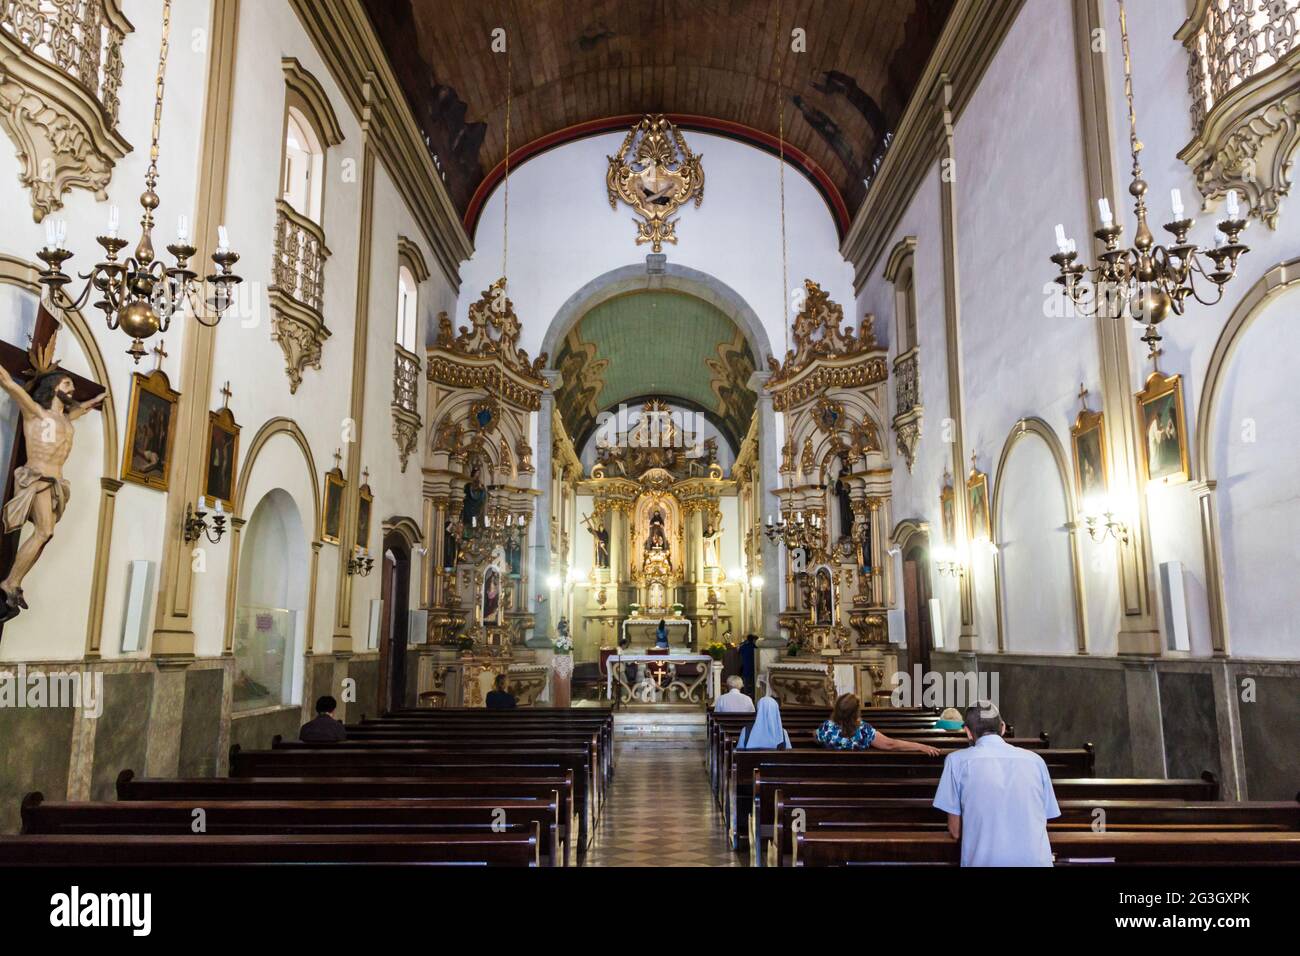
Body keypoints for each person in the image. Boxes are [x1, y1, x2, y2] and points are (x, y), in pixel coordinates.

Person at [932, 700, 1061, 867]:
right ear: (1003, 728)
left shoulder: (956, 762)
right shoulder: (1036, 761)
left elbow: (955, 831)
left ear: (968, 732)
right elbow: (1043, 818)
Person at [816, 693, 941, 755]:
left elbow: (815, 737)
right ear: (856, 711)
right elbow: (890, 744)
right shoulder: (864, 730)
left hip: (831, 781)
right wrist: (920, 746)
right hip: (861, 780)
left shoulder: (826, 728)